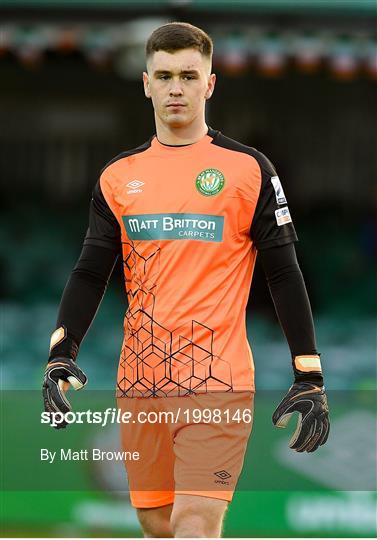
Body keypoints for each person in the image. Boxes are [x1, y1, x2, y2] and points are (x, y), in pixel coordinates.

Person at [42, 22, 330, 538]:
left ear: (210, 84)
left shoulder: (249, 171)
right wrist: (62, 351)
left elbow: (284, 273)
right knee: (158, 524)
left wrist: (308, 371)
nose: (177, 87)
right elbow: (90, 271)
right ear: (147, 83)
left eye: (189, 76)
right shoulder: (116, 177)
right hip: (140, 381)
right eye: (165, 75)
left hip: (217, 379)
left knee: (194, 521)